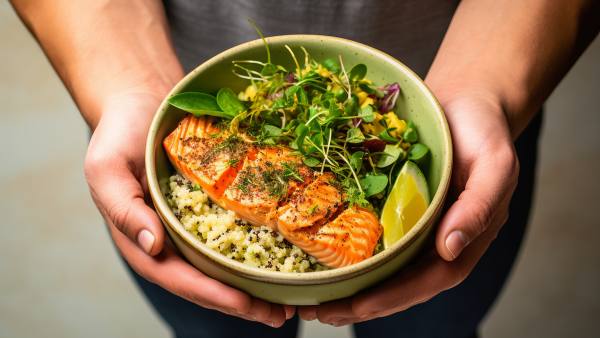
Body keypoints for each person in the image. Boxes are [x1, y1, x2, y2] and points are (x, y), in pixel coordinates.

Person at [11, 0, 598, 337]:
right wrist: (123, 80)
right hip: (175, 90)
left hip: (459, 128)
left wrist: (488, 86)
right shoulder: (206, 141)